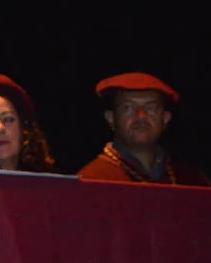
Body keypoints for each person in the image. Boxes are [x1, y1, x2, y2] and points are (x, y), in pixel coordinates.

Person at [77, 72, 209, 186]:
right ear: (111, 119)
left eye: (150, 108)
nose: (141, 116)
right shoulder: (92, 180)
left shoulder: (191, 180)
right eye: (128, 108)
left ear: (165, 119)